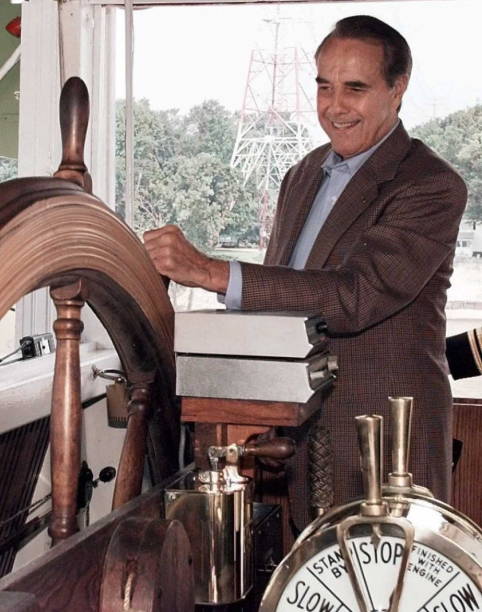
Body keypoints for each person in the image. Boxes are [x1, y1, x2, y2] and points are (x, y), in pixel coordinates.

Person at [144, 15, 467, 529]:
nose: (334, 107)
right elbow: (280, 310)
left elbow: (356, 296)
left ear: (398, 88)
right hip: (291, 438)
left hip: (384, 442)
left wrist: (210, 271)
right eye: (324, 86)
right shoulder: (302, 174)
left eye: (355, 88)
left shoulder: (430, 185)